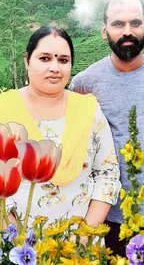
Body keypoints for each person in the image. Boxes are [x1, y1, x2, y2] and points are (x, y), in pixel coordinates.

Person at [0, 25, 120, 229]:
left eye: (63, 60)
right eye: (45, 58)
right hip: (16, 247)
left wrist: (84, 235)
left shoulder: (88, 110)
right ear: (27, 60)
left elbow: (107, 174)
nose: (55, 67)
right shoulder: (4, 108)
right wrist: (15, 238)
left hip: (80, 247)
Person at [70, 0, 144, 255]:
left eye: (135, 23)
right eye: (118, 24)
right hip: (112, 217)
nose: (127, 31)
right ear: (104, 31)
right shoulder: (85, 84)